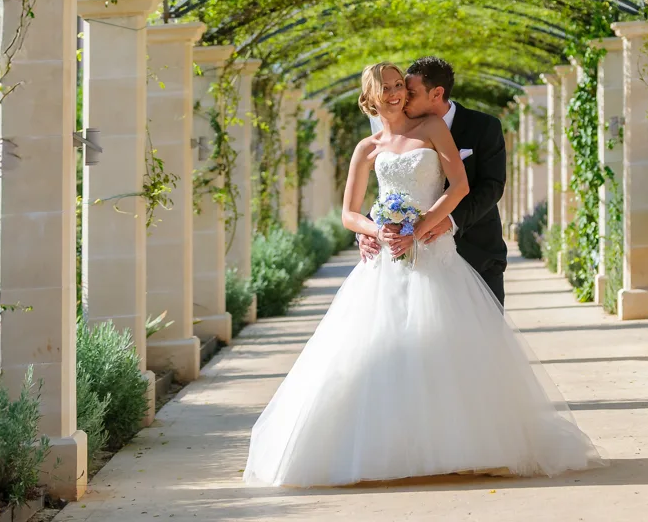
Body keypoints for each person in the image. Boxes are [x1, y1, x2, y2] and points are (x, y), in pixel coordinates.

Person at [242, 62, 604, 488]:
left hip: (436, 252)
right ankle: (392, 448)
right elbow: (348, 213)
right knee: (383, 351)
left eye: (400, 86)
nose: (396, 93)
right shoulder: (367, 148)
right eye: (387, 88)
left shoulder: (433, 128)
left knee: (450, 350)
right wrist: (377, 229)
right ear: (369, 97)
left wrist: (420, 228)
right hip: (384, 263)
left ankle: (465, 447)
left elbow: (462, 187)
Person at [358, 56, 509, 305]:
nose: (402, 96)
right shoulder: (392, 137)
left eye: (410, 92)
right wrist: (370, 231)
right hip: (405, 255)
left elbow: (491, 187)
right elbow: (393, 186)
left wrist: (447, 221)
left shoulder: (484, 127)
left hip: (476, 250)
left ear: (436, 93)